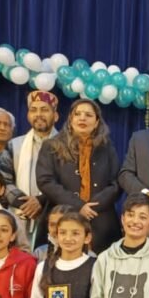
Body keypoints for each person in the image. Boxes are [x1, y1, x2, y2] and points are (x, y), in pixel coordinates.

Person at [36, 99, 121, 255]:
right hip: (62, 217)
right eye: (78, 114)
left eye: (88, 115)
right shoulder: (51, 145)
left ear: (96, 122)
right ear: (70, 119)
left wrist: (92, 207)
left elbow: (116, 183)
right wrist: (78, 205)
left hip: (101, 220)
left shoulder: (106, 147)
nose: (82, 118)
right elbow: (45, 181)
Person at [0, 91, 60, 246]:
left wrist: (41, 201)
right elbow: (3, 181)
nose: (38, 114)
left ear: (55, 116)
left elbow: (67, 183)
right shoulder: (14, 145)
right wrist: (26, 205)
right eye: (34, 110)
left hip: (55, 216)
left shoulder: (68, 147)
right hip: (19, 216)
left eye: (44, 110)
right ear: (28, 116)